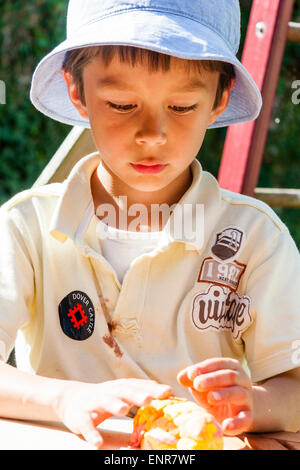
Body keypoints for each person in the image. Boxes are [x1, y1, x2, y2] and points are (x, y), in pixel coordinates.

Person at [1, 0, 300, 449]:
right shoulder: (27, 227)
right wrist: (66, 398)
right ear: (77, 91)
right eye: (122, 104)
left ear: (219, 99)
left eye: (181, 106)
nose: (152, 133)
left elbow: (293, 389)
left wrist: (251, 403)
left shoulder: (254, 239)